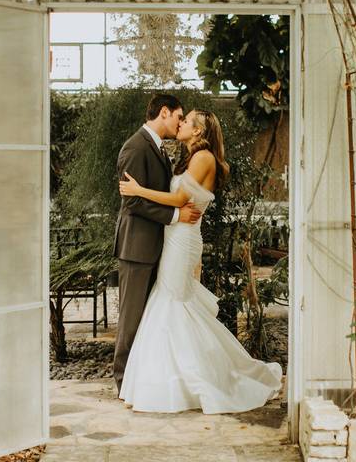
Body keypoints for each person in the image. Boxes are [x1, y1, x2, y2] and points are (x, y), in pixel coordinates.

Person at [116, 108, 283, 413]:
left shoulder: (203, 158)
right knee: (173, 301)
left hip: (182, 240)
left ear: (197, 131)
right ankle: (176, 373)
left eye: (186, 120)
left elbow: (180, 201)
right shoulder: (192, 156)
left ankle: (190, 377)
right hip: (176, 237)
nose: (180, 123)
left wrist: (139, 190)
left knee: (174, 302)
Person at [112, 94, 203, 394]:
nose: (180, 123)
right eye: (178, 116)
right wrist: (176, 214)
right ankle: (123, 380)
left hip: (156, 247)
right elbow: (133, 201)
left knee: (150, 318)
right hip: (136, 247)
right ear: (164, 112)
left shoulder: (160, 148)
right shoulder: (136, 147)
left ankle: (141, 379)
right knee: (131, 318)